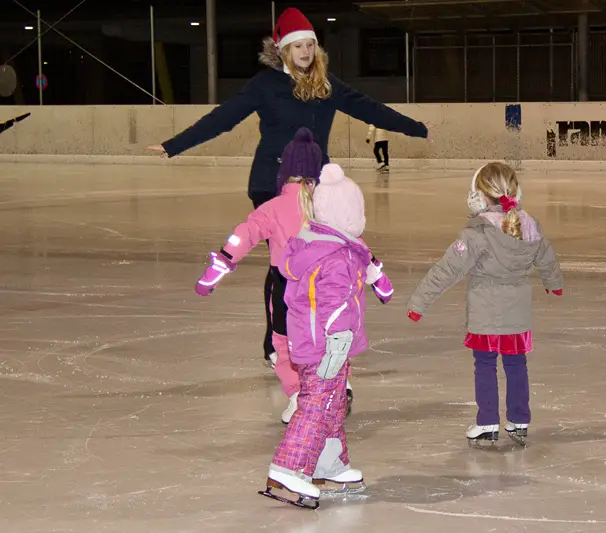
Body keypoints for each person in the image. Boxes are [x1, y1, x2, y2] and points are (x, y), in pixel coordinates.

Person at [148, 7, 428, 366]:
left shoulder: (327, 86)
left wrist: (417, 128)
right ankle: (277, 339)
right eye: (299, 46)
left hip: (316, 190)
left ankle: (312, 331)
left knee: (317, 262)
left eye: (311, 45)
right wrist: (174, 146)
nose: (307, 53)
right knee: (284, 264)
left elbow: (371, 110)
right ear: (284, 50)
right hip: (271, 185)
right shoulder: (265, 84)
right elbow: (223, 118)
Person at [194, 130, 393, 424]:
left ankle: (296, 395)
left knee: (285, 344)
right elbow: (354, 242)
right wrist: (377, 276)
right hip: (327, 287)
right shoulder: (324, 206)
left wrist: (220, 264)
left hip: (287, 289)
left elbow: (243, 234)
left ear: (283, 172)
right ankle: (340, 384)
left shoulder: (272, 208)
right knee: (331, 338)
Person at [406, 162, 564, 447]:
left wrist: (419, 301)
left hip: (485, 315)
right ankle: (519, 420)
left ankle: (487, 421)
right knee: (517, 364)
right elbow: (547, 257)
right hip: (518, 316)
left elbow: (447, 269)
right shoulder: (530, 226)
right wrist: (554, 283)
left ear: (479, 195)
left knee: (485, 364)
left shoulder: (476, 233)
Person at [260, 163, 373, 509]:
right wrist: (338, 341)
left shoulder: (312, 245)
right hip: (327, 347)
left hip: (310, 343)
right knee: (316, 405)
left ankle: (329, 462)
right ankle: (289, 466)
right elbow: (334, 304)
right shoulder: (337, 257)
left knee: (332, 404)